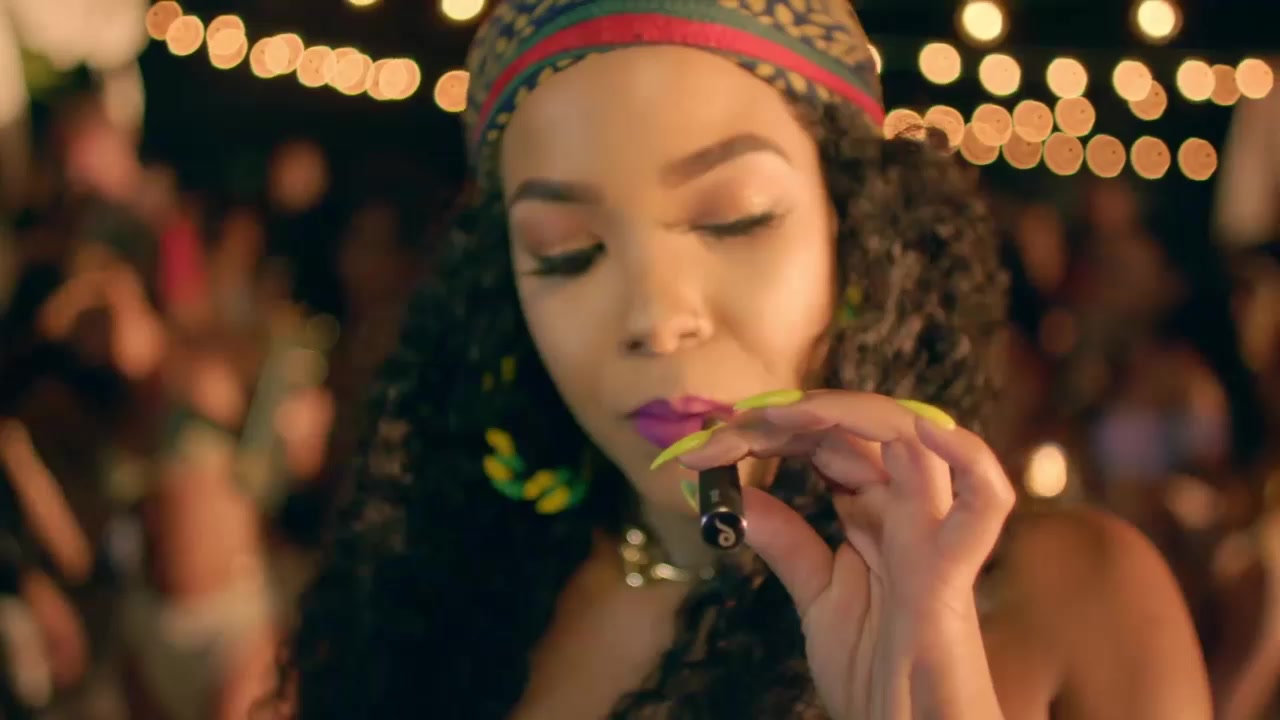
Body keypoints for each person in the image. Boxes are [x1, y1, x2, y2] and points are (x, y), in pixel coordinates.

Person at [278, 2, 1212, 718]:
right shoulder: (441, 602)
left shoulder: (1077, 598)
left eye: (734, 219)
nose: (656, 319)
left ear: (858, 232)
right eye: (566, 252)